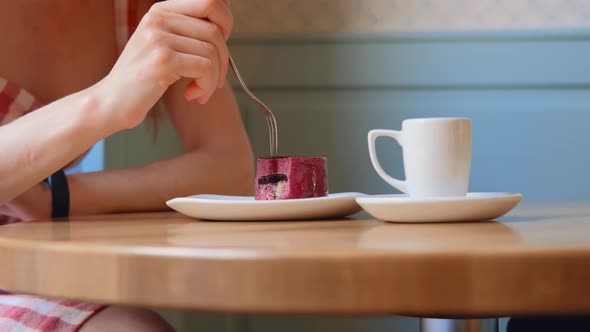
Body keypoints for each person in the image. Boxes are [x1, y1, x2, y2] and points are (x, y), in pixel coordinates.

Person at [0, 0, 253, 331]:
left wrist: (57, 198)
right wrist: (103, 102)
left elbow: (230, 168)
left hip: (23, 273)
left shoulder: (139, 8)